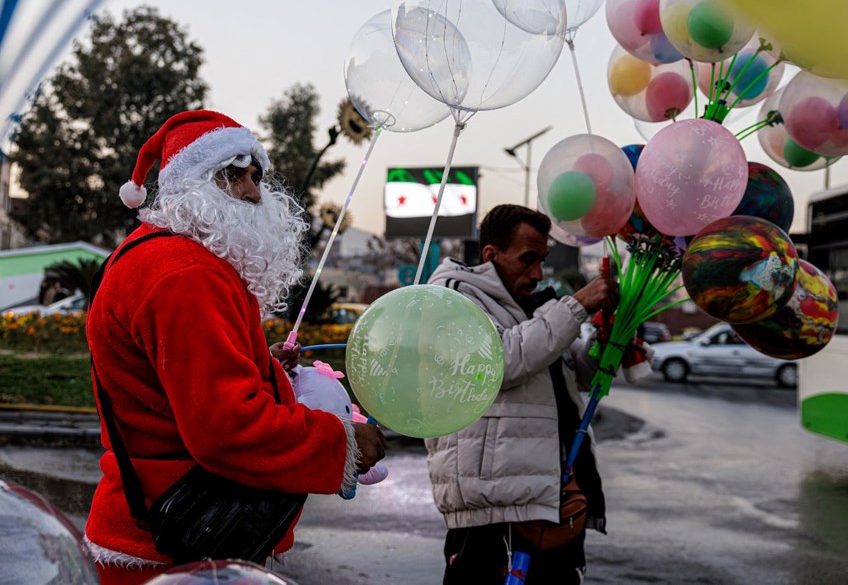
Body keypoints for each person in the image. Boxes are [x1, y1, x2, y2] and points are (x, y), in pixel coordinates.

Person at [83, 110, 386, 583]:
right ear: (189, 183)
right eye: (232, 174)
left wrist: (262, 367)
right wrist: (340, 442)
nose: (252, 191)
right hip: (175, 547)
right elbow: (226, 427)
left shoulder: (156, 254)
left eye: (256, 175)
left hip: (155, 530)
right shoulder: (187, 274)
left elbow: (171, 382)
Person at [427, 204, 619, 584]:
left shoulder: (534, 304)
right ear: (490, 255)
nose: (537, 273)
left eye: (542, 260)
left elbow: (572, 372)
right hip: (496, 507)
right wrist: (578, 304)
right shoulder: (453, 297)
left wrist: (607, 343)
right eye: (527, 259)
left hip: (549, 495)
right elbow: (499, 364)